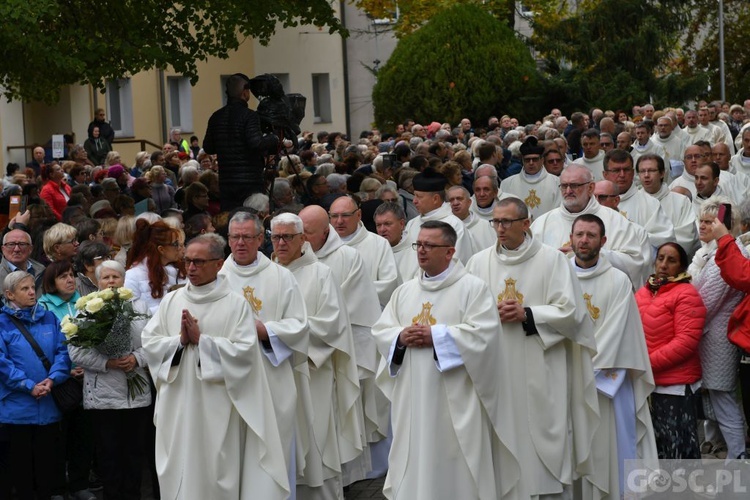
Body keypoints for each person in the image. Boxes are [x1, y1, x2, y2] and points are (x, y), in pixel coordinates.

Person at [373, 221, 522, 500]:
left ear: (450, 251)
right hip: (413, 400)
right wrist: (401, 337)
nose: (421, 251)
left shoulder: (473, 289)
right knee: (416, 456)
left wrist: (437, 336)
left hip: (456, 398)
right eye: (419, 245)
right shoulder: (404, 291)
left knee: (454, 465)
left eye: (430, 245)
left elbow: (485, 337)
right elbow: (382, 331)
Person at [466, 197, 598, 498]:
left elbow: (573, 313)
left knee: (541, 435)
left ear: (526, 223)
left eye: (506, 222)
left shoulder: (552, 260)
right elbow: (466, 313)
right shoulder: (478, 262)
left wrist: (528, 314)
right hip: (496, 367)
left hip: (541, 364)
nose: (499, 228)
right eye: (495, 222)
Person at [141, 233, 289, 498]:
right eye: (187, 261)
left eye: (199, 262)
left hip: (217, 406)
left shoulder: (236, 305)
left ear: (219, 264)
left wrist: (203, 342)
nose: (191, 268)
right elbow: (150, 343)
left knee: (216, 469)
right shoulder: (172, 301)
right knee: (179, 468)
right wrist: (179, 342)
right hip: (178, 406)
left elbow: (245, 354)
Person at [269, 213, 363, 498]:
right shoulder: (266, 275)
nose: (282, 243)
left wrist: (285, 338)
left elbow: (332, 324)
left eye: (288, 237)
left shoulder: (321, 274)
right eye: (276, 237)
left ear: (303, 239)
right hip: (273, 374)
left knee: (315, 440)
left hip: (311, 372)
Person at [218, 211, 309, 494]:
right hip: (230, 382)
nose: (240, 243)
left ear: (260, 239)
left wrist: (265, 331)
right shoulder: (216, 278)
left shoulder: (281, 277)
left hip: (271, 378)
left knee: (270, 448)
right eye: (235, 237)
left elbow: (299, 325)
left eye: (247, 237)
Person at [569, 214, 657, 498]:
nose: (583, 240)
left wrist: (584, 373)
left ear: (603, 241)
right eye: (579, 234)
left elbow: (617, 332)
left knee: (610, 449)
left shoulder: (618, 280)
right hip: (565, 378)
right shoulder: (558, 274)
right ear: (570, 238)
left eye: (590, 235)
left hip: (607, 381)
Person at [298, 205, 384, 483]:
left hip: (338, 349)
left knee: (340, 415)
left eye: (307, 233)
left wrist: (313, 331)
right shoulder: (289, 261)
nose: (301, 239)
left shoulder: (348, 257)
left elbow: (347, 306)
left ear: (325, 232)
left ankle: (344, 479)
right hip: (305, 353)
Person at [67, 260, 152, 500]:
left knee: (134, 455)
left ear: (124, 280)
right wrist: (109, 363)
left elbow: (154, 344)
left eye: (116, 277)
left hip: (136, 394)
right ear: (97, 281)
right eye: (106, 278)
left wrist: (136, 358)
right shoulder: (86, 310)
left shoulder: (141, 306)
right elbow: (77, 351)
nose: (112, 281)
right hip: (103, 396)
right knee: (109, 456)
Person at [0, 271, 71, 500]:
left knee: (46, 470)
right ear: (9, 294)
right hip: (16, 410)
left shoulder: (49, 318)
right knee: (20, 472)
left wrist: (53, 379)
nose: (32, 292)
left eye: (33, 287)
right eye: (25, 289)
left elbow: (63, 352)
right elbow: (3, 363)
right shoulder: (2, 323)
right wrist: (28, 385)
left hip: (48, 406)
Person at [688, 197, 748, 460]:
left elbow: (706, 300)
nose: (702, 226)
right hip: (710, 333)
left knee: (723, 400)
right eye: (700, 220)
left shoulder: (730, 254)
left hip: (718, 337)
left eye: (709, 222)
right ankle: (722, 447)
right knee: (715, 399)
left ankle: (737, 455)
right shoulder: (708, 253)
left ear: (724, 226)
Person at [635, 242, 706, 459]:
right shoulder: (644, 292)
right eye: (660, 258)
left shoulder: (686, 294)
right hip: (647, 382)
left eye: (671, 260)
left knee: (678, 447)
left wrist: (645, 364)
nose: (664, 265)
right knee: (654, 449)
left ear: (682, 267)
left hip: (674, 385)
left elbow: (685, 342)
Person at [531, 164, 652, 289]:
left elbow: (634, 262)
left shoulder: (615, 220)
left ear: (590, 188)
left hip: (602, 293)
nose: (568, 191)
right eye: (564, 186)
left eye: (574, 185)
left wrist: (596, 254)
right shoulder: (542, 223)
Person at [203, 73, 279, 211]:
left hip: (226, 180)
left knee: (230, 218)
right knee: (251, 216)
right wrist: (274, 138)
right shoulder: (249, 116)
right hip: (249, 180)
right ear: (245, 92)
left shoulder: (216, 117)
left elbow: (208, 147)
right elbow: (256, 143)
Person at [328, 195, 400, 307]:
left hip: (367, 316)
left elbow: (389, 285)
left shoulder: (379, 244)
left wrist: (345, 295)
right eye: (334, 216)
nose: (339, 221)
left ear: (358, 215)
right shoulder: (322, 246)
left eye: (345, 215)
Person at [637, 154, 699, 258]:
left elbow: (686, 236)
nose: (646, 175)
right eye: (642, 171)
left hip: (672, 263)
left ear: (662, 173)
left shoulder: (681, 201)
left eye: (651, 170)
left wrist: (646, 240)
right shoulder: (634, 201)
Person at [124, 220, 185, 314]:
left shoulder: (181, 270)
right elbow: (133, 315)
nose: (180, 248)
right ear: (161, 249)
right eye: (175, 244)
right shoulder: (133, 275)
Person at [501, 136, 561, 220]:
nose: (531, 163)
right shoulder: (507, 184)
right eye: (527, 160)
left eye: (535, 159)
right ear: (522, 160)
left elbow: (559, 211)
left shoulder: (557, 182)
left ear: (542, 160)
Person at [0, 229, 45, 295]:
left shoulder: (43, 272)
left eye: (22, 244)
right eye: (11, 244)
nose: (16, 249)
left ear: (30, 249)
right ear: (3, 249)